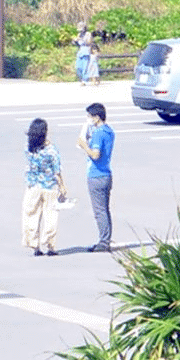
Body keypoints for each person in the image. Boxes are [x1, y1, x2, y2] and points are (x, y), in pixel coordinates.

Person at [22, 117, 64, 257]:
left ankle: (34, 245)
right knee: (51, 215)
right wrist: (62, 186)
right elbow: (57, 171)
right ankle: (50, 245)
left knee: (31, 215)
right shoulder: (51, 150)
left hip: (33, 185)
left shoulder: (29, 149)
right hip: (49, 186)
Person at [78, 102, 115, 252]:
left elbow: (95, 154)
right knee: (105, 209)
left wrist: (84, 145)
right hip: (106, 174)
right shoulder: (109, 131)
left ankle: (104, 242)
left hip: (96, 175)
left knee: (99, 211)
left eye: (90, 116)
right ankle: (105, 238)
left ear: (97, 117)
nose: (89, 119)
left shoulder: (99, 134)